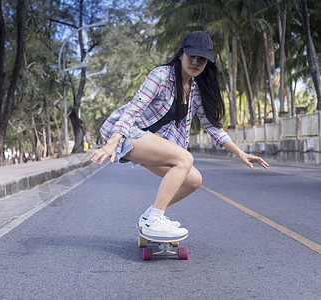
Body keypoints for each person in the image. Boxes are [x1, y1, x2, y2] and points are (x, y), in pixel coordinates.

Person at [90, 31, 269, 238]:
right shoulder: (161, 75)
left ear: (207, 63)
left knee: (193, 180)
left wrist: (240, 153)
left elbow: (212, 127)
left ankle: (150, 215)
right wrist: (113, 142)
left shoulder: (195, 90)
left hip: (153, 142)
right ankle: (156, 218)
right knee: (185, 158)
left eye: (201, 59)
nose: (195, 62)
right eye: (191, 56)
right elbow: (134, 109)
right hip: (129, 134)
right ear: (181, 54)